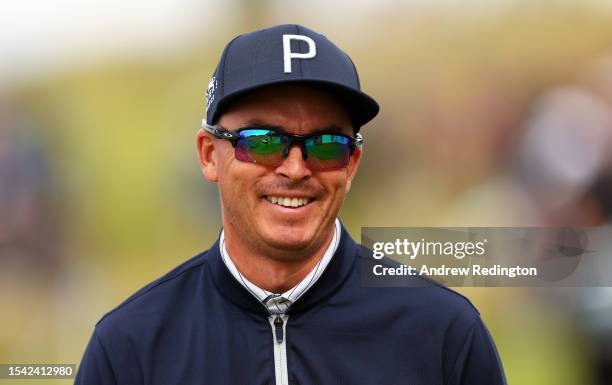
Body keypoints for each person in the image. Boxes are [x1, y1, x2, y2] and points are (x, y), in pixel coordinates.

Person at [75, 24, 507, 385]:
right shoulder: (130, 347)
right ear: (209, 155)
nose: (296, 168)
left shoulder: (442, 331)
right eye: (263, 142)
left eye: (326, 145)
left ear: (352, 162)